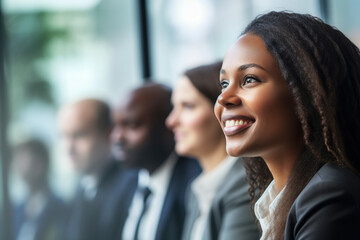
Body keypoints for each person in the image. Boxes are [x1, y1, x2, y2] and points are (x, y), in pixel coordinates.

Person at [214, 11, 360, 240]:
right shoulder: (284, 198)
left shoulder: (330, 195)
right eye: (224, 83)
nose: (223, 98)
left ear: (307, 92)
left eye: (249, 79)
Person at [166, 62, 259, 240]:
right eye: (173, 107)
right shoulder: (197, 191)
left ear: (223, 110)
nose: (171, 121)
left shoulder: (246, 184)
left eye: (188, 106)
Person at [111, 83, 201, 240]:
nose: (117, 137)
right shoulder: (124, 185)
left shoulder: (194, 183)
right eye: (115, 125)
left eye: (132, 125)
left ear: (169, 126)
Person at [58, 98, 138, 240]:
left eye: (79, 135)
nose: (68, 147)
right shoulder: (80, 187)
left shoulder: (132, 185)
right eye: (64, 136)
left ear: (108, 134)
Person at [11, 139, 67, 240]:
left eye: (23, 159)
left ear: (39, 165)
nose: (18, 165)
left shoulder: (59, 208)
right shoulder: (17, 209)